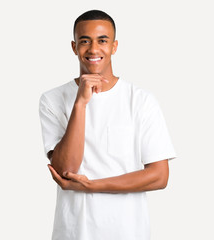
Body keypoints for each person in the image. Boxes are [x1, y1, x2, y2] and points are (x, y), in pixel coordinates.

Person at [39, 9, 177, 240]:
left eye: (102, 40)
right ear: (74, 47)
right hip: (73, 232)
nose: (93, 49)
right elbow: (65, 170)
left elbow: (159, 176)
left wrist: (92, 186)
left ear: (114, 46)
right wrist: (80, 104)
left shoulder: (141, 100)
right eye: (85, 41)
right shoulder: (52, 99)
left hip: (128, 232)